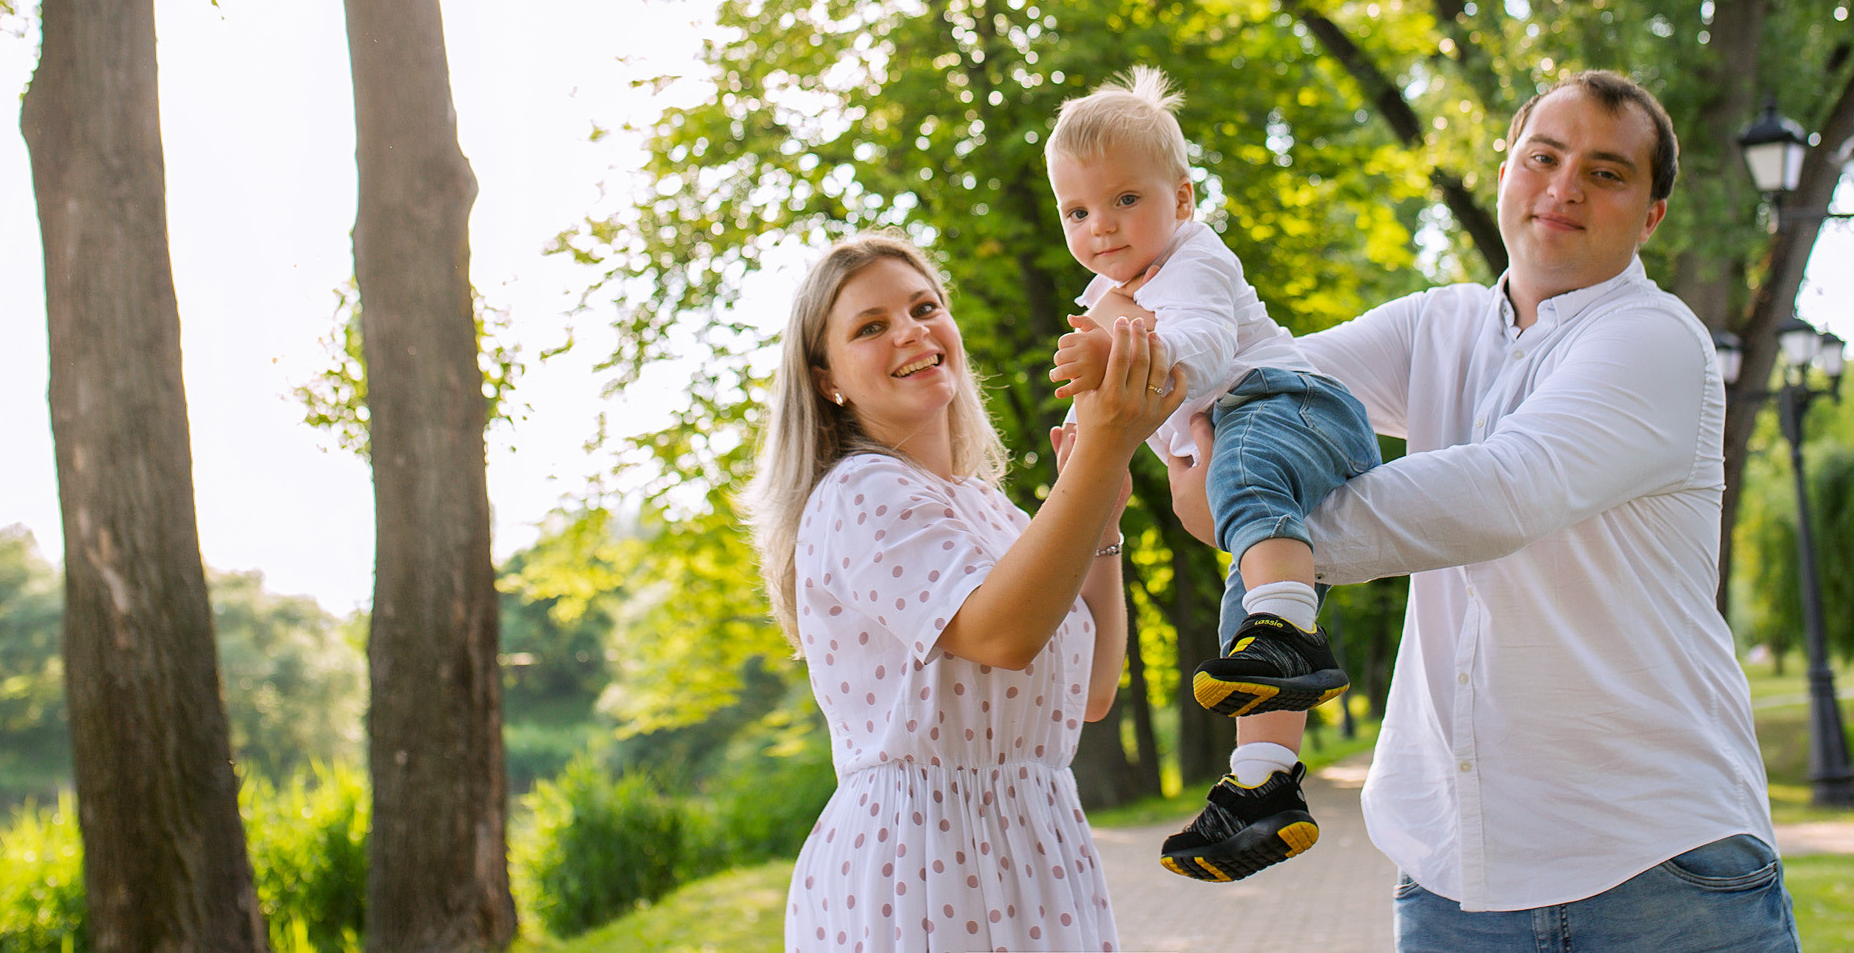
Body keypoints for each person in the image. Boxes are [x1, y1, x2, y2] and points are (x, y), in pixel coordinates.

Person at [1202, 69, 1796, 950]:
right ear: (1506, 169)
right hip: (1453, 874)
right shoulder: (1435, 326)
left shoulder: (1656, 339)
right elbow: (1263, 386)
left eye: (1605, 172)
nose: (1564, 187)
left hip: (1658, 867)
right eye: (1543, 157)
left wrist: (1264, 531)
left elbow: (1503, 490)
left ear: (1652, 215)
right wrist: (1186, 419)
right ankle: (1262, 773)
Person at [748, 231, 1184, 953]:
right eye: (871, 326)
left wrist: (1103, 517)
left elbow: (1093, 691)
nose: (911, 331)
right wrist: (1104, 447)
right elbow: (1001, 636)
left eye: (924, 308)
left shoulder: (989, 508)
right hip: (923, 864)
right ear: (827, 380)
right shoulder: (860, 491)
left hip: (1035, 848)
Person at [1043, 68, 1381, 884]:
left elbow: (1202, 345)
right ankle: (1264, 784)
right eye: (1077, 211)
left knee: (1247, 483)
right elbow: (1120, 409)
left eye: (1125, 199)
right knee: (1242, 610)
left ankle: (1290, 634)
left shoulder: (1192, 260)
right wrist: (1090, 448)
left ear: (1183, 200)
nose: (1101, 225)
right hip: (1236, 440)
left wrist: (1119, 353)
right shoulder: (1106, 293)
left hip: (1292, 405)